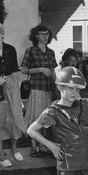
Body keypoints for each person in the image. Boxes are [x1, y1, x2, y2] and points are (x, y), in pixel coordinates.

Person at [0, 21, 27, 167]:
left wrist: (16, 91)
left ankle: (14, 149)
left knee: (15, 118)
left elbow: (15, 71)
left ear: (2, 34)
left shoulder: (10, 49)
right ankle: (1, 156)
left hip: (10, 86)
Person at [20, 24, 57, 158]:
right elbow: (23, 69)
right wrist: (40, 69)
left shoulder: (51, 52)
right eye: (42, 34)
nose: (45, 36)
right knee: (36, 118)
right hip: (36, 89)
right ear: (36, 36)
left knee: (47, 119)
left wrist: (56, 86)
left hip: (48, 89)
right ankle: (34, 147)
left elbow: (53, 71)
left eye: (47, 34)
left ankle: (43, 146)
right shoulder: (31, 50)